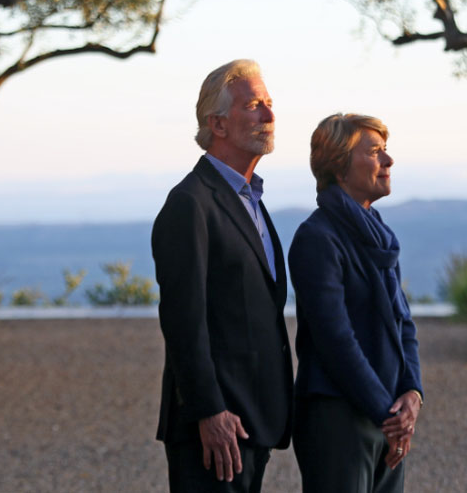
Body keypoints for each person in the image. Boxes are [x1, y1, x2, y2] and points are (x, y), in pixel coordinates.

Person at [151, 59, 293, 493]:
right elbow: (182, 321)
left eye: (269, 104)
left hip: (253, 421)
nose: (269, 116)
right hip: (213, 429)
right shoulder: (190, 204)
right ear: (218, 123)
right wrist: (209, 411)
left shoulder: (252, 200)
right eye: (254, 105)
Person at [288, 113, 424, 493]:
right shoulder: (317, 238)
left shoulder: (380, 236)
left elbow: (404, 326)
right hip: (337, 418)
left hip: (386, 417)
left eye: (386, 150)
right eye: (375, 151)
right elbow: (336, 340)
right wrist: (387, 414)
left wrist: (412, 394)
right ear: (339, 165)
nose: (388, 160)